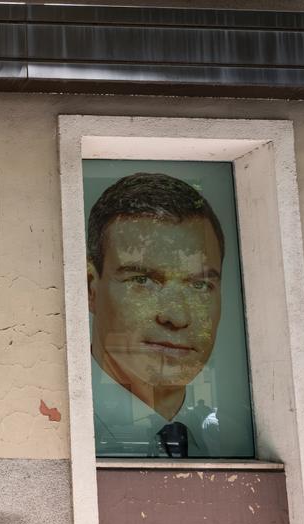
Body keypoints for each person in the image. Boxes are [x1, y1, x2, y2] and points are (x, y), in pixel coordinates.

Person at [86, 172, 224, 457]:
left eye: (200, 285)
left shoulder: (228, 440)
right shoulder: (47, 425)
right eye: (142, 281)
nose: (176, 316)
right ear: (90, 288)